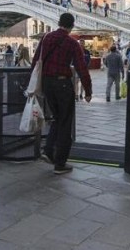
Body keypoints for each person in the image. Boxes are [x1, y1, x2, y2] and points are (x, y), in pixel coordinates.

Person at [33, 13, 92, 175]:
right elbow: (81, 68)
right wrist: (88, 90)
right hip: (62, 84)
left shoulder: (46, 38)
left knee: (57, 119)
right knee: (65, 122)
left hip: (46, 83)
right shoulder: (72, 43)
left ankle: (48, 150)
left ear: (59, 23)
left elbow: (36, 61)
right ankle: (60, 163)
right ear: (72, 26)